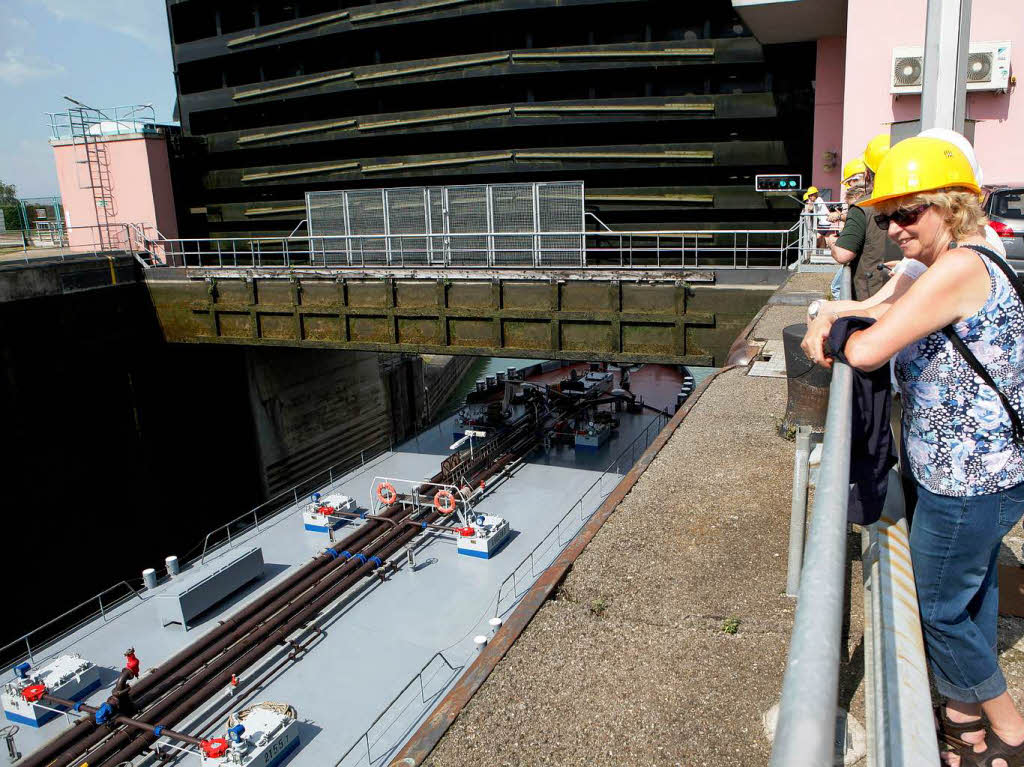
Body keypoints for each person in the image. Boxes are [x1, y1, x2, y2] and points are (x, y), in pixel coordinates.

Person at [803, 136, 1024, 767]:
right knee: (970, 595)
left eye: (908, 213)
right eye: (883, 216)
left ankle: (1009, 730)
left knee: (937, 607)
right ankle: (966, 728)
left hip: (970, 480)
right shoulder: (954, 262)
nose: (893, 228)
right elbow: (880, 315)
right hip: (966, 470)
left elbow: (870, 350)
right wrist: (834, 318)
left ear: (951, 206)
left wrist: (833, 333)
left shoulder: (958, 269)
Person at [826, 134, 904, 300]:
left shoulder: (863, 206)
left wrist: (832, 244)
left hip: (871, 295)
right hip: (905, 292)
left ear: (868, 174)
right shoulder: (910, 202)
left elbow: (842, 254)